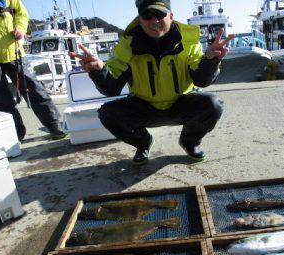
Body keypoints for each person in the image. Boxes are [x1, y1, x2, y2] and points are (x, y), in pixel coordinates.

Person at [70, 0, 234, 164]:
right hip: (144, 106)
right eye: (147, 16)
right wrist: (98, 71)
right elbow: (111, 89)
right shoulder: (127, 46)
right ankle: (143, 143)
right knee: (107, 114)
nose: (154, 21)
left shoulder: (189, 42)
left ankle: (189, 142)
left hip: (181, 103)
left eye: (160, 15)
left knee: (213, 105)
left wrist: (210, 60)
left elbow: (202, 80)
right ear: (140, 19)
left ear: (171, 16)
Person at [0, 0, 66, 141]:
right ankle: (15, 135)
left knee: (35, 89)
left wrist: (21, 28)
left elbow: (22, 14)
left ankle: (54, 125)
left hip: (14, 52)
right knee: (1, 99)